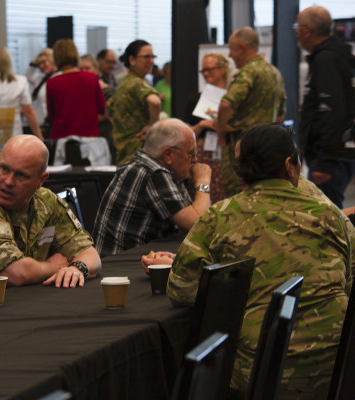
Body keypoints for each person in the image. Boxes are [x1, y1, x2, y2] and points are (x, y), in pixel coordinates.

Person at [145, 123, 354, 399]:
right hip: (337, 371)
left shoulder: (219, 216)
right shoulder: (332, 215)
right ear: (290, 166)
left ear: (242, 169)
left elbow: (182, 289)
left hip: (259, 375)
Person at [0, 135, 102, 299]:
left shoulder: (46, 201)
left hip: (30, 301)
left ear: (40, 180)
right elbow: (15, 273)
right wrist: (54, 266)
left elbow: (91, 255)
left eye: (21, 175)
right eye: (4, 168)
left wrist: (77, 268)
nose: (8, 181)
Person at [93, 119, 211, 256]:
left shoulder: (147, 166)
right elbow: (199, 224)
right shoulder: (153, 174)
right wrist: (203, 181)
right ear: (168, 155)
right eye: (191, 154)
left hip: (130, 259)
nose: (195, 160)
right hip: (119, 268)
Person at [296, 5, 355, 208]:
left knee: (326, 218)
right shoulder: (337, 55)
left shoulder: (326, 59)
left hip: (331, 158)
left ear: (307, 30)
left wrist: (325, 162)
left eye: (297, 25)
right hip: (336, 154)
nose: (295, 30)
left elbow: (333, 112)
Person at [217, 27, 286, 196]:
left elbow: (226, 105)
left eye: (231, 50)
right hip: (268, 150)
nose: (229, 56)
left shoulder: (248, 72)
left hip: (242, 147)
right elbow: (280, 113)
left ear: (241, 47)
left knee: (237, 195)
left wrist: (220, 129)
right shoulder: (274, 72)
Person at [184, 52, 231, 203]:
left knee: (225, 192)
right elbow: (185, 133)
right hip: (202, 154)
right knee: (201, 190)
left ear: (223, 69)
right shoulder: (195, 99)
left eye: (210, 69)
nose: (206, 73)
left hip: (226, 152)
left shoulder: (232, 98)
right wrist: (201, 124)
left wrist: (224, 127)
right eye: (203, 70)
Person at [107, 40, 161, 164]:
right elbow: (155, 102)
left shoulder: (124, 83)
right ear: (132, 60)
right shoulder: (137, 83)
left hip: (124, 153)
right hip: (138, 154)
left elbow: (109, 109)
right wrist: (152, 127)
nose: (151, 61)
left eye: (153, 57)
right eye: (146, 57)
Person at [46, 39, 105, 140]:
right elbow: (102, 108)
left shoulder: (52, 83)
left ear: (56, 57)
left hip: (63, 139)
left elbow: (51, 115)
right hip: (89, 138)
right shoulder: (92, 78)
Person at [26, 48, 58, 135]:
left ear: (52, 61)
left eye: (44, 62)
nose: (41, 66)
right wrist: (33, 63)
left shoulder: (58, 77)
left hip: (51, 125)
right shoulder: (39, 78)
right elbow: (28, 74)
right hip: (39, 125)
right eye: (39, 63)